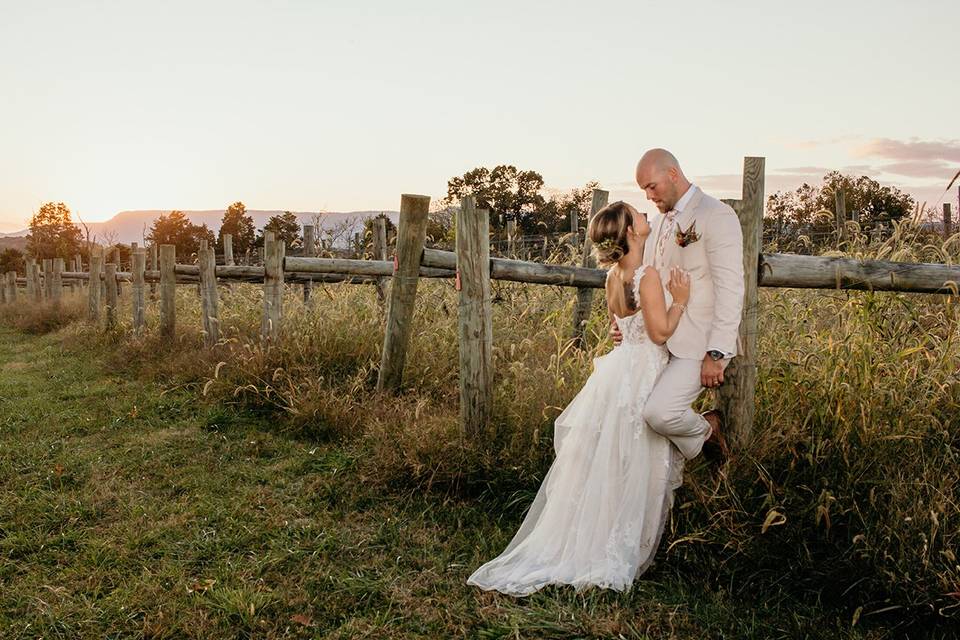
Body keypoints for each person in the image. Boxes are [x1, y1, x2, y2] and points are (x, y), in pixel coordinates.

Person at [467, 201, 691, 596]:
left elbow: (618, 328)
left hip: (620, 371)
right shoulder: (648, 276)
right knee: (637, 461)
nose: (644, 215)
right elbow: (658, 334)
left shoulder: (611, 278)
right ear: (631, 232)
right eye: (637, 215)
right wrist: (682, 300)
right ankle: (621, 549)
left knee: (611, 460)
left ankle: (598, 539)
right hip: (643, 373)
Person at [618, 148, 745, 461]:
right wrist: (628, 326)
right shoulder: (659, 223)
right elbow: (649, 282)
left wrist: (717, 352)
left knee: (660, 413)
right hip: (659, 338)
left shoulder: (716, 214)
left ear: (672, 174)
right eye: (643, 190)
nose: (648, 196)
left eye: (651, 186)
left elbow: (731, 288)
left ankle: (708, 430)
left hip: (697, 342)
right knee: (632, 413)